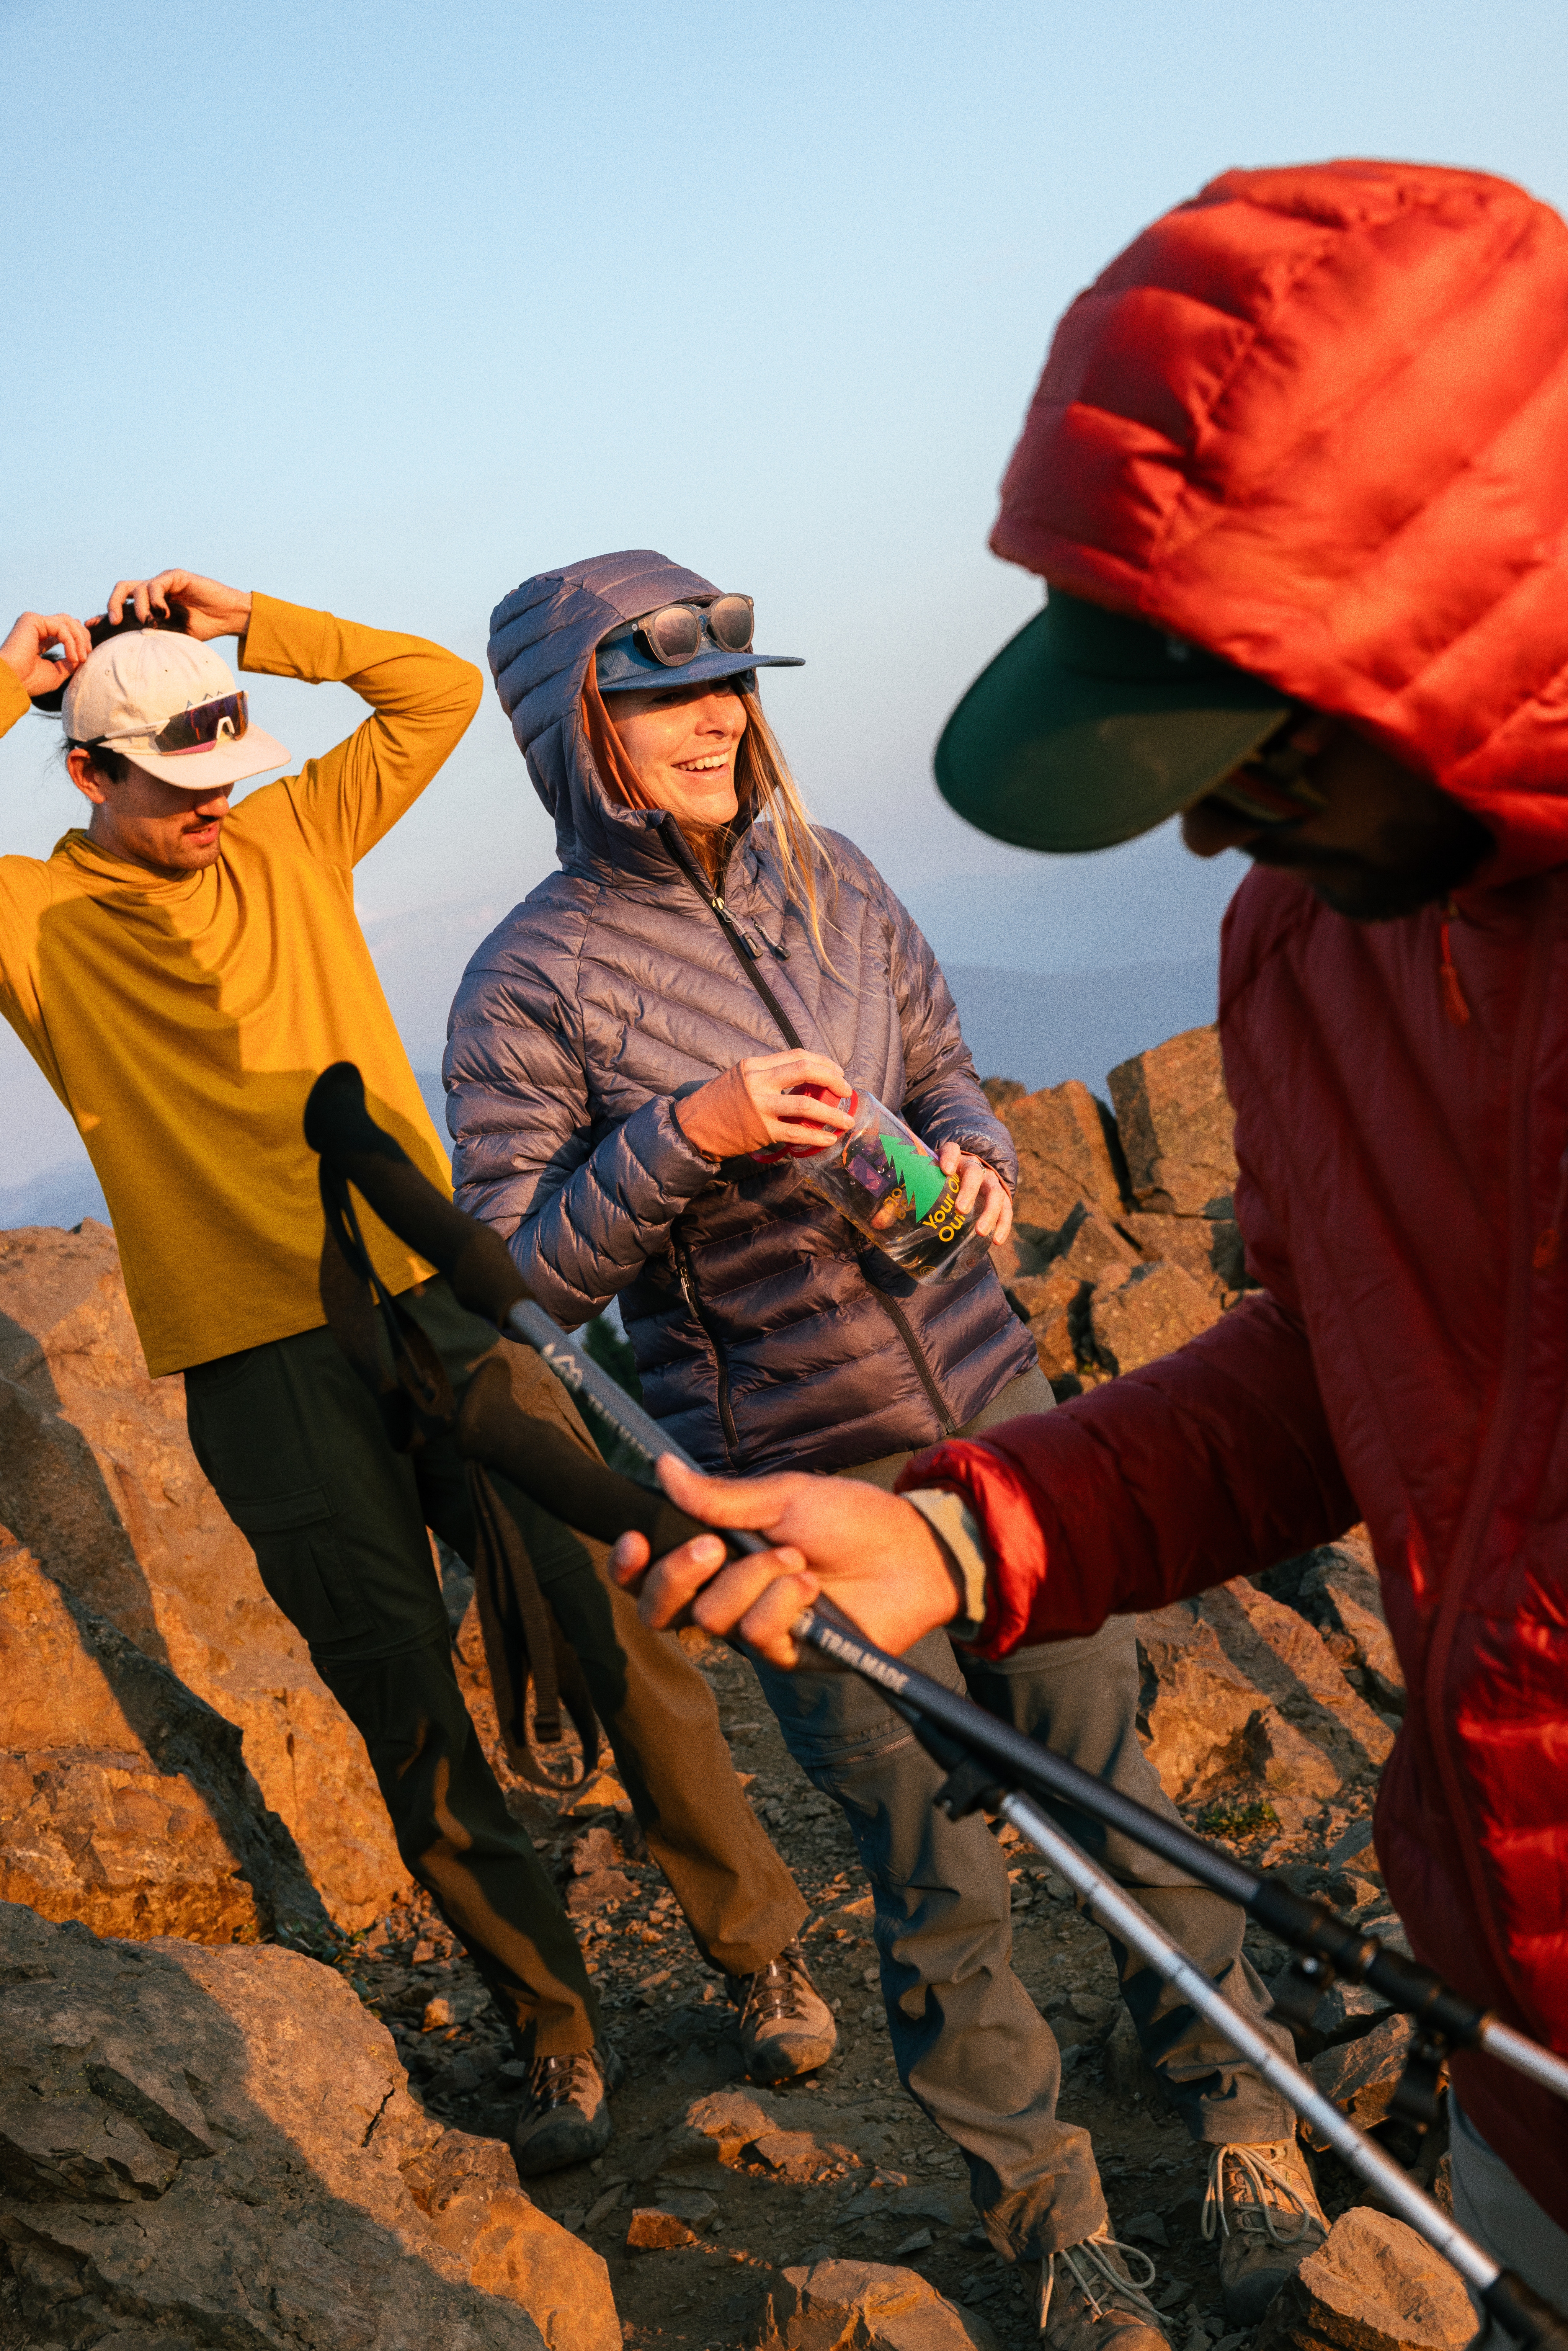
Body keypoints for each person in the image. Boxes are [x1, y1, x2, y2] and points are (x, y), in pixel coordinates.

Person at [609, 158, 1568, 2329]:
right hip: (1523, 2058)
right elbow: (1354, 1375)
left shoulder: (857, 890)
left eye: (1249, 742)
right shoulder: (1311, 947)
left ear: (1472, 612)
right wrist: (960, 1536)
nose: (1210, 821)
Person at [445, 550, 1321, 2347]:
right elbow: (519, 1274)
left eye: (729, 687)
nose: (713, 719)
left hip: (1002, 1441)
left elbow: (940, 1064)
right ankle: (1049, 2216)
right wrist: (682, 1131)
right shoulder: (527, 980)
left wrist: (975, 1152)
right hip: (788, 1489)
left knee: (1123, 1801)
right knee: (935, 1876)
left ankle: (1244, 2119)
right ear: (569, 734)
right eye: (659, 698)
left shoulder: (835, 882)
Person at [0, 572, 817, 2178]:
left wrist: (244, 622)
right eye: (171, 793)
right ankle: (555, 2036)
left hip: (438, 1295)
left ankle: (756, 1949)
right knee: (399, 1700)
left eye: (221, 778)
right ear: (86, 776)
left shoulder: (290, 833)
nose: (210, 816)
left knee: (614, 1615)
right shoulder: (40, 924)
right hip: (256, 1356)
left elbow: (431, 690)